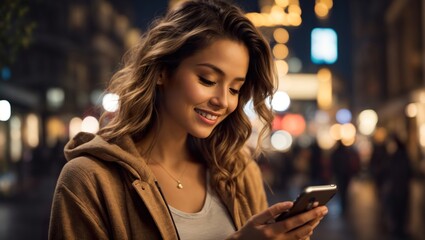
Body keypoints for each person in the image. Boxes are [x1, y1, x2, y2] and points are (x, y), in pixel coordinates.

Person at [48, 0, 328, 239]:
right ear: (162, 72)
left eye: (234, 88)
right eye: (207, 79)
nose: (224, 101)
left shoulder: (238, 171)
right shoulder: (88, 180)